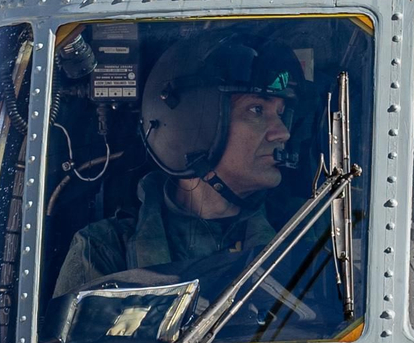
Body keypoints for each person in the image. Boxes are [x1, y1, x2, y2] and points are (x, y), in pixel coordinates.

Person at [52, 34, 303, 297]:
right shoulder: (103, 250)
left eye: (280, 114)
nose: (282, 133)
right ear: (192, 125)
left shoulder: (310, 231)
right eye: (256, 110)